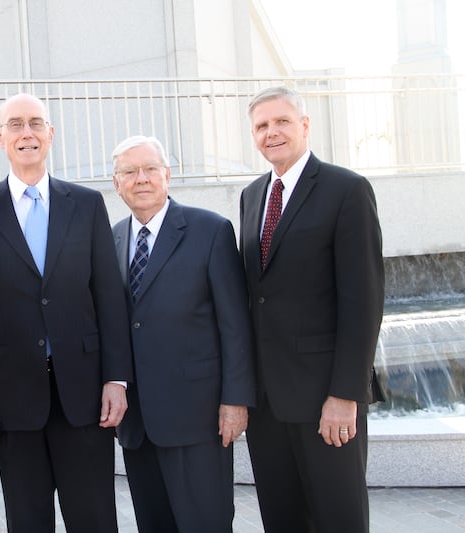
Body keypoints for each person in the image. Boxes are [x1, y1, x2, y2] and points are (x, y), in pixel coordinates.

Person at [0, 93, 133, 533]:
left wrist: (116, 378)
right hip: (12, 395)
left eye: (36, 123)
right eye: (15, 124)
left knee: (94, 518)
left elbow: (108, 296)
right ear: (0, 137)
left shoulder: (86, 205)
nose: (26, 132)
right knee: (27, 519)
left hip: (85, 393)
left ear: (50, 134)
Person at [239, 86, 384, 533]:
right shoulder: (251, 196)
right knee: (282, 521)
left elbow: (364, 301)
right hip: (267, 404)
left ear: (304, 126)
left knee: (339, 520)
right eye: (261, 126)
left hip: (327, 400)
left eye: (281, 121)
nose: (272, 132)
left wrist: (345, 396)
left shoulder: (347, 189)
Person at [110, 135, 256, 532]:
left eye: (150, 169)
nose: (142, 179)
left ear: (167, 175)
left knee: (204, 522)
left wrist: (236, 400)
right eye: (130, 171)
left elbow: (235, 324)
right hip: (138, 423)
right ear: (116, 182)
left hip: (198, 416)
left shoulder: (210, 231)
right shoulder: (112, 238)